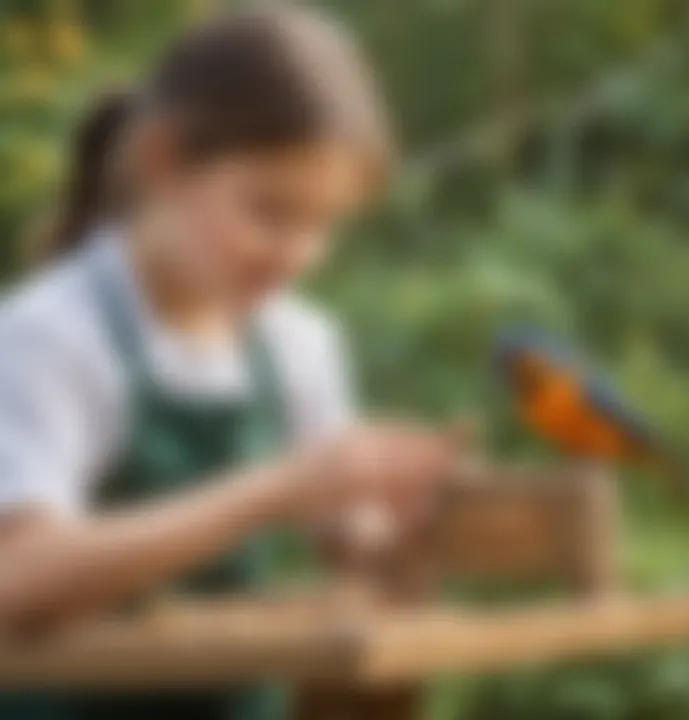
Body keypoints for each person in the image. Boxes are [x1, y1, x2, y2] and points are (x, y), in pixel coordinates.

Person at [0, 5, 465, 719]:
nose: (297, 254)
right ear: (163, 160)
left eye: (323, 224)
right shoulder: (51, 333)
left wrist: (386, 529)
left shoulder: (300, 342)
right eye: (271, 213)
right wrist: (274, 489)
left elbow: (343, 532)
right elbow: (22, 579)